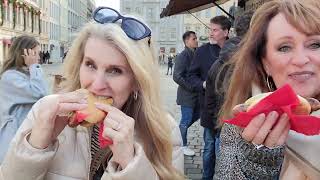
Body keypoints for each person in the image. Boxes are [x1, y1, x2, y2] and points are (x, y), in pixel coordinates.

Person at [0, 7, 184, 180]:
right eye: (90, 65)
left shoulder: (164, 130)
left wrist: (130, 163)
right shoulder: (46, 111)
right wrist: (35, 146)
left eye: (115, 70)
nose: (96, 85)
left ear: (137, 81)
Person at [214, 0, 320, 179]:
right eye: (284, 47)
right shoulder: (239, 128)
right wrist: (255, 165)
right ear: (266, 63)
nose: (301, 59)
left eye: (315, 45)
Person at [204, 10, 253, 179]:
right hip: (237, 130)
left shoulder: (220, 61)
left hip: (225, 127)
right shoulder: (250, 62)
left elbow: (210, 97)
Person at [188, 15, 231, 180]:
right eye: (210, 29)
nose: (211, 33)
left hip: (228, 110)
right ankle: (207, 177)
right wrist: (203, 84)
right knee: (209, 148)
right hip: (208, 107)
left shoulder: (235, 51)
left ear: (226, 32)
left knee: (224, 149)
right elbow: (191, 75)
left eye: (215, 30)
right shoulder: (202, 51)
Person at [0, 35, 48, 164]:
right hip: (13, 136)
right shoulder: (10, 77)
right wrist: (34, 67)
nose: (38, 57)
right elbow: (39, 93)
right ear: (24, 53)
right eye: (35, 53)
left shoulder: (28, 73)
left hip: (26, 133)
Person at [173, 31, 199, 156]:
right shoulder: (183, 56)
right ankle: (182, 145)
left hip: (196, 95)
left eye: (196, 38)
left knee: (196, 116)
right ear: (187, 41)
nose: (196, 40)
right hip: (187, 95)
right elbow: (176, 76)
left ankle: (177, 134)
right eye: (194, 39)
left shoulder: (195, 53)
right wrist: (191, 87)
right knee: (186, 120)